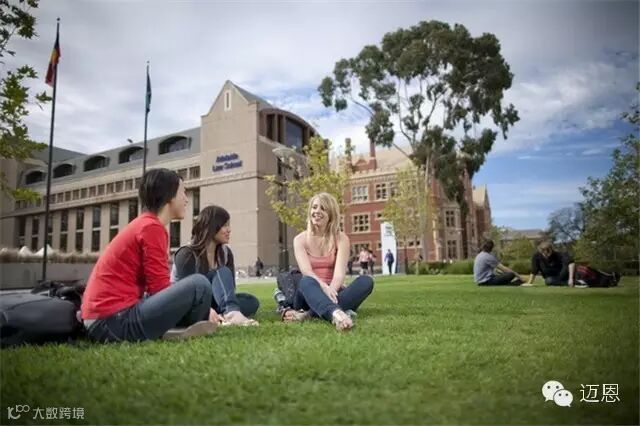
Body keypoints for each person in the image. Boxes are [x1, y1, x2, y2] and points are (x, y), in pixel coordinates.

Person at [81, 168, 219, 343]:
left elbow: (155, 288)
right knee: (200, 285)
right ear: (169, 195)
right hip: (111, 322)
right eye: (183, 192)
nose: (186, 199)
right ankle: (187, 327)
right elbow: (159, 289)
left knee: (199, 290)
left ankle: (188, 325)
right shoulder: (151, 228)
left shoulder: (145, 224)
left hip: (105, 319)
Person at [288, 192, 374, 331]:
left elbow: (339, 275)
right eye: (314, 207)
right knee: (307, 280)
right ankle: (337, 313)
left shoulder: (341, 239)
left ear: (331, 214)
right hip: (308, 293)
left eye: (323, 208)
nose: (317, 211)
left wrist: (331, 291)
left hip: (334, 292)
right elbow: (307, 272)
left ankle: (309, 315)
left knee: (366, 281)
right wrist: (324, 288)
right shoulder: (299, 240)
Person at [172, 205, 259, 326]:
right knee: (220, 271)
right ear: (211, 227)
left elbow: (230, 289)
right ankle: (230, 313)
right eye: (225, 225)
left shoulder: (226, 253)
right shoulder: (187, 254)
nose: (229, 230)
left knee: (251, 301)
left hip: (216, 301)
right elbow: (185, 293)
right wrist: (205, 309)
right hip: (187, 304)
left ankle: (225, 312)